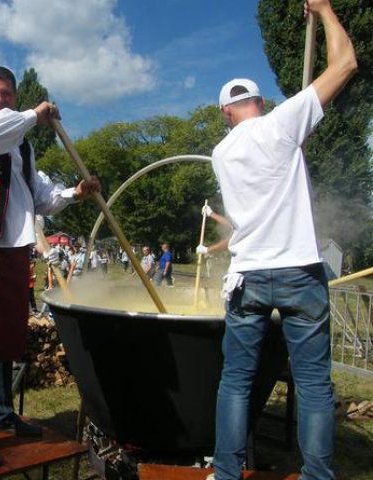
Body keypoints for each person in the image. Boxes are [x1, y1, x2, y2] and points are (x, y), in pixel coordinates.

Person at [205, 2, 357, 479]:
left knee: (236, 381)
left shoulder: (220, 153)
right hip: (296, 270)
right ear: (261, 103)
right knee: (313, 383)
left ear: (225, 111)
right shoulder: (281, 123)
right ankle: (317, 476)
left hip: (247, 276)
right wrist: (327, 10)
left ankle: (226, 473)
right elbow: (347, 63)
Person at [0, 65, 100, 467]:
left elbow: (42, 198)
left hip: (14, 246)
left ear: (14, 96)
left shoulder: (24, 147)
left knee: (5, 333)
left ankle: (0, 413)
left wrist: (76, 193)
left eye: (6, 94)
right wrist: (33, 116)